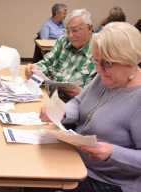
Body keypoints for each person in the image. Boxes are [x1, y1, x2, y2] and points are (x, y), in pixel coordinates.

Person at [38, 22, 141, 192]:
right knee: (35, 174)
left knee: (41, 184)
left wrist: (111, 152)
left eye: (107, 63)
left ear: (130, 61)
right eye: (96, 61)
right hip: (77, 160)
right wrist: (63, 112)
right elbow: (78, 102)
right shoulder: (104, 77)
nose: (98, 70)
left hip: (107, 181)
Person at [27, 9, 96, 102]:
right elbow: (47, 62)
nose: (70, 35)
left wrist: (82, 93)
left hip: (73, 103)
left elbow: (96, 94)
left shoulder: (99, 50)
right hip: (48, 94)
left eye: (75, 30)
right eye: (67, 31)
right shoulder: (63, 40)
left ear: (90, 28)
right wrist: (34, 68)